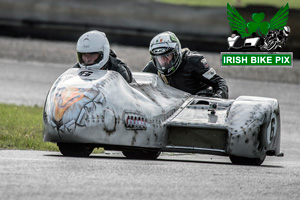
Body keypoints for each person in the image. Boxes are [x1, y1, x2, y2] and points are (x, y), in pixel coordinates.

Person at [143, 31, 228, 98]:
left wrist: (218, 97)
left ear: (177, 52)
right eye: (160, 58)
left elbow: (219, 82)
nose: (164, 61)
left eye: (167, 56)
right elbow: (137, 86)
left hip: (198, 108)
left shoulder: (194, 61)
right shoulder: (151, 68)